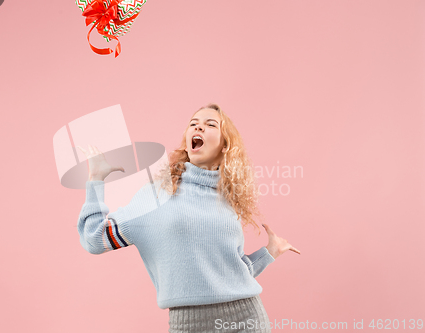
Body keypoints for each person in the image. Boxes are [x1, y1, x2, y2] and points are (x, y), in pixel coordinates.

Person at [77, 103, 300, 333]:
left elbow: (230, 273)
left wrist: (269, 252)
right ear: (187, 140)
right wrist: (96, 179)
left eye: (210, 124)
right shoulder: (157, 195)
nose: (199, 127)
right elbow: (95, 238)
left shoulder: (227, 201)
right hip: (189, 325)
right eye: (193, 124)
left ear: (225, 145)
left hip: (247, 319)